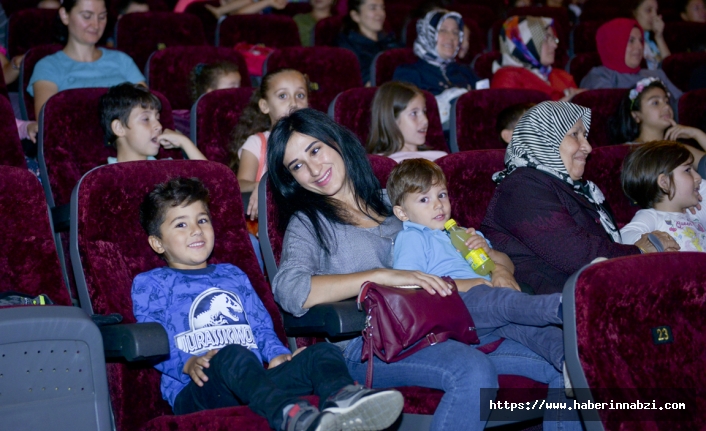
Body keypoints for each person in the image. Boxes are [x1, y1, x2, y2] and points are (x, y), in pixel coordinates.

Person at [268, 108, 582, 431]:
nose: (313, 168)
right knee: (473, 372)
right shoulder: (309, 223)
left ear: (334, 141)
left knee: (567, 363)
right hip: (370, 346)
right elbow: (290, 290)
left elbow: (490, 259)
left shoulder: (401, 205)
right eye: (297, 166)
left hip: (449, 324)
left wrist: (495, 264)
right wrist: (378, 276)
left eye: (315, 150)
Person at [132, 177, 404, 431]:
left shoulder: (232, 275)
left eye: (202, 220)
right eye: (181, 224)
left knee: (321, 354)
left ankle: (345, 406)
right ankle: (292, 416)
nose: (196, 230)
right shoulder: (151, 283)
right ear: (157, 243)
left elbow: (260, 326)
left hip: (251, 379)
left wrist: (276, 354)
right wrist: (186, 362)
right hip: (197, 387)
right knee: (232, 354)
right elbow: (154, 339)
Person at [480, 101, 679, 295]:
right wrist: (638, 251)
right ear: (544, 137)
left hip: (591, 292)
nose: (588, 147)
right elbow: (574, 253)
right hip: (557, 307)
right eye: (575, 134)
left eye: (585, 136)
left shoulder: (577, 188)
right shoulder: (521, 187)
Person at [388, 158, 565, 371]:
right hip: (453, 305)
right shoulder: (414, 237)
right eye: (424, 199)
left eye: (441, 195)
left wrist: (494, 260)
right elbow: (410, 284)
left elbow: (506, 263)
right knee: (502, 300)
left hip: (492, 309)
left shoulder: (466, 234)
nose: (438, 204)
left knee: (544, 335)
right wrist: (473, 283)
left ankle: (570, 367)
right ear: (402, 213)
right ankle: (563, 307)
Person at [27, 0, 145, 119]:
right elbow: (48, 121)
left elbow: (147, 108)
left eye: (102, 17)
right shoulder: (48, 66)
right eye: (87, 16)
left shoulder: (122, 60)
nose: (96, 25)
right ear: (65, 15)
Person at [228, 68, 309, 221]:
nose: (293, 102)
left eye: (300, 95)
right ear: (265, 106)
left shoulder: (316, 141)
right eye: (283, 96)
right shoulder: (257, 143)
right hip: (269, 223)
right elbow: (239, 184)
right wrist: (260, 185)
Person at [620, 141, 706, 251]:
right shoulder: (652, 216)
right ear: (664, 183)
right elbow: (623, 236)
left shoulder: (695, 214)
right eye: (688, 170)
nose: (698, 177)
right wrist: (655, 243)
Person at [580, 18, 682, 103]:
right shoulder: (599, 76)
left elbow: (681, 105)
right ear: (613, 45)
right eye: (631, 41)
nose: (639, 46)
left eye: (641, 40)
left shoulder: (657, 75)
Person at [99, 83, 206, 164]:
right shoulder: (99, 178)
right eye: (146, 119)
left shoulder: (166, 167)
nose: (159, 126)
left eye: (158, 119)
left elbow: (215, 183)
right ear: (119, 128)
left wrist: (185, 142)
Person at [491, 16, 583, 102]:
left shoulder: (562, 76)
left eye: (554, 39)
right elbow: (515, 118)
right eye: (546, 38)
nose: (555, 45)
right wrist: (565, 104)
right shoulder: (506, 80)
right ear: (524, 44)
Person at [610, 78, 706, 157]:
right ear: (636, 115)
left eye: (666, 101)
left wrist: (696, 134)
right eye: (655, 103)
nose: (666, 107)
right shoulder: (628, 151)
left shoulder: (678, 148)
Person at [393, 9, 478, 96]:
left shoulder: (466, 72)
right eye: (443, 30)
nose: (451, 37)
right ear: (429, 34)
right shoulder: (409, 74)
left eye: (455, 32)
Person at [366, 81, 447, 162]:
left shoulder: (441, 158)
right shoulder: (379, 163)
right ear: (392, 120)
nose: (425, 121)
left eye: (424, 111)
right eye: (414, 113)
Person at [337, 0, 398, 86]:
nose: (380, 13)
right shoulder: (347, 47)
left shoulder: (389, 40)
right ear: (355, 16)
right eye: (373, 8)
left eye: (382, 8)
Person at [630, 0, 670, 70]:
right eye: (648, 10)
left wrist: (659, 37)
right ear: (634, 12)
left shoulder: (650, 40)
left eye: (656, 11)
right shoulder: (628, 39)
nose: (654, 16)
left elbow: (670, 68)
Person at [204, 0, 287, 19]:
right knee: (248, 1)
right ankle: (220, 11)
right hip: (248, 7)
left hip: (263, 10)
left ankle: (221, 11)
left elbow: (281, 3)